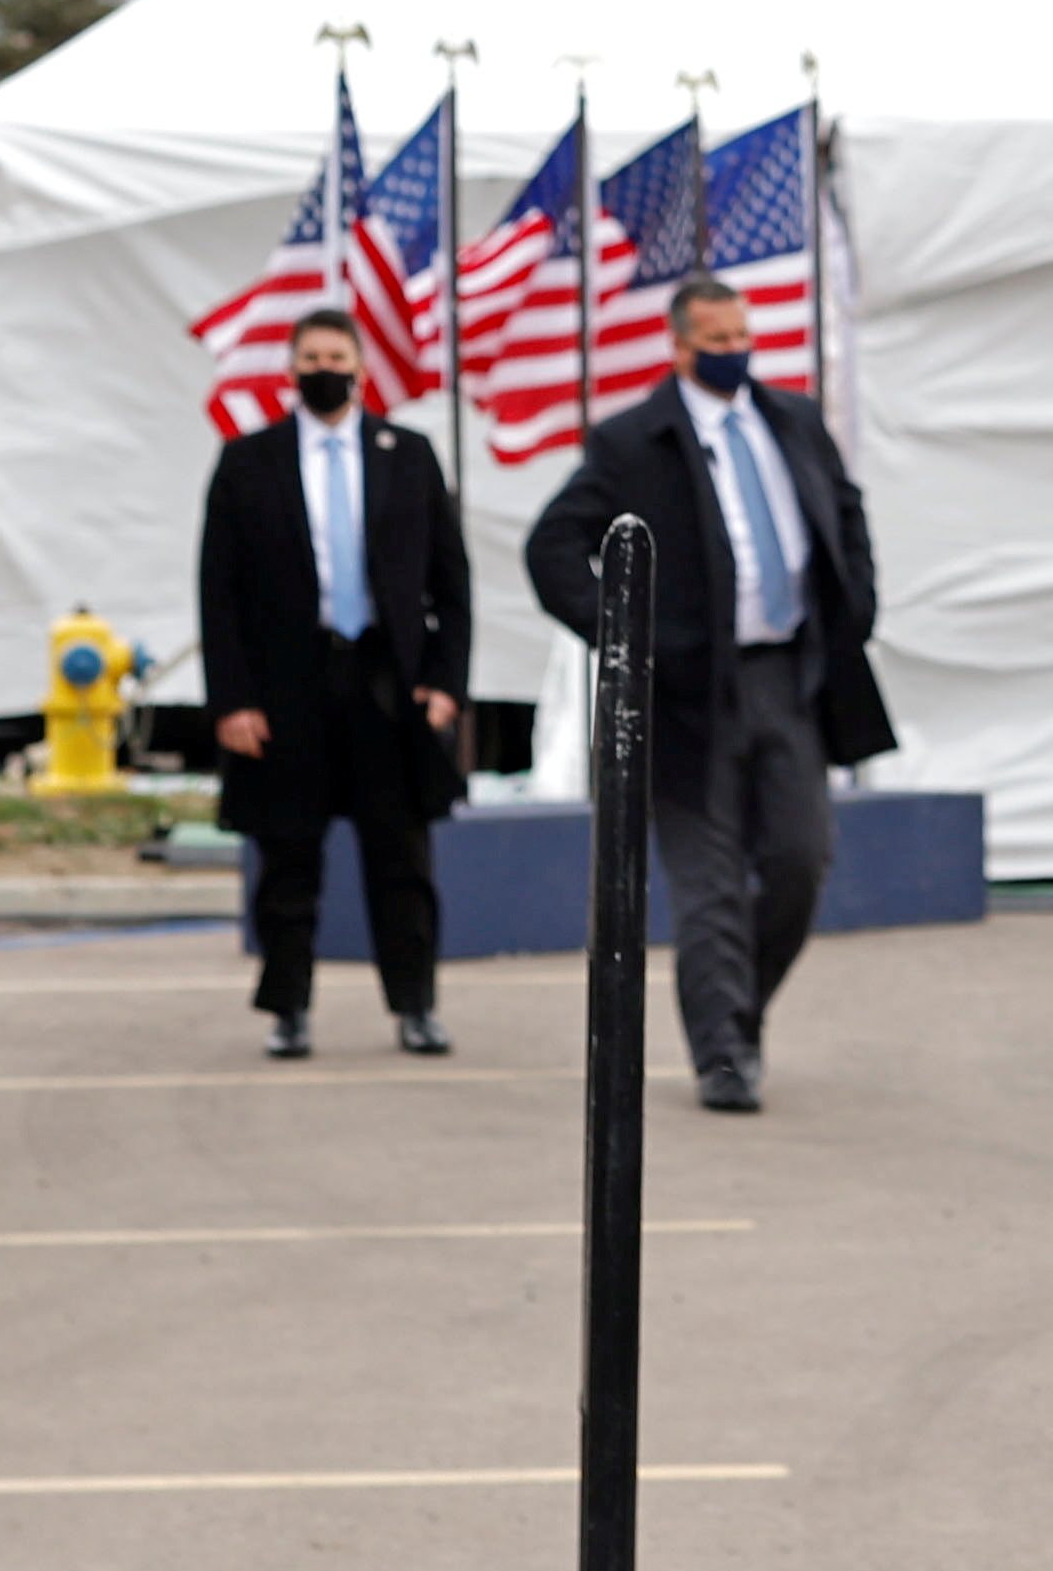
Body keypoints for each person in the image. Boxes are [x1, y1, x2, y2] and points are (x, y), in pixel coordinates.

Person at [524, 279, 888, 1113]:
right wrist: (627, 638)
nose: (734, 348)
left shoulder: (791, 418)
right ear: (680, 346)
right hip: (690, 694)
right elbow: (553, 548)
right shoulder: (632, 442)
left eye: (742, 332)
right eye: (715, 337)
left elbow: (845, 512)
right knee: (710, 883)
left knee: (802, 859)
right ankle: (722, 1052)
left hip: (788, 679)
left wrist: (855, 607)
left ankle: (738, 1007)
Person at [199, 309, 470, 1060]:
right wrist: (233, 701)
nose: (326, 366)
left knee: (402, 859)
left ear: (360, 365)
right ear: (291, 368)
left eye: (338, 354)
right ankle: (288, 1008)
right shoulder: (249, 461)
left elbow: (451, 581)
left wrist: (447, 684)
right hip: (288, 687)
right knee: (288, 859)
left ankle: (416, 1005)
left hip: (391, 686)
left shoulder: (408, 456)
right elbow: (217, 593)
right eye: (312, 354)